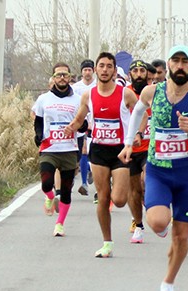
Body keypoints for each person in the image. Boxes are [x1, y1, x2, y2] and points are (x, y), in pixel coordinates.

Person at [120, 44, 188, 291]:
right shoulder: (152, 91)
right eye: (176, 61)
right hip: (158, 171)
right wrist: (129, 142)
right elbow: (136, 112)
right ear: (169, 65)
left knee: (181, 237)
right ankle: (162, 222)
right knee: (159, 223)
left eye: (186, 62)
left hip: (187, 174)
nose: (180, 66)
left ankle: (168, 282)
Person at [65, 52, 138, 258]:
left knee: (120, 199)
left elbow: (141, 114)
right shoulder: (88, 95)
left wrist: (138, 134)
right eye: (101, 66)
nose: (105, 70)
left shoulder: (125, 94)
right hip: (98, 149)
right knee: (103, 198)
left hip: (120, 150)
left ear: (115, 70)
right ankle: (107, 243)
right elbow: (81, 117)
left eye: (109, 66)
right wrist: (72, 126)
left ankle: (119, 187)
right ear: (96, 69)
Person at [33, 62, 87, 236]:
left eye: (65, 75)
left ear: (70, 77)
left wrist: (76, 127)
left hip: (69, 149)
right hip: (49, 147)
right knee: (46, 182)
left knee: (65, 190)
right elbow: (38, 121)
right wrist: (38, 135)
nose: (62, 78)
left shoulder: (78, 100)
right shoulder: (43, 99)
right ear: (53, 78)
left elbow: (84, 125)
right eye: (58, 75)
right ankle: (49, 197)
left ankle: (60, 224)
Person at [125, 59, 152, 244]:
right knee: (133, 190)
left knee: (147, 179)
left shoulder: (153, 92)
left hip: (150, 146)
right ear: (130, 74)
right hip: (129, 148)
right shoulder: (125, 94)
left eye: (143, 71)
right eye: (136, 71)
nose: (139, 74)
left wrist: (141, 132)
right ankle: (139, 224)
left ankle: (154, 208)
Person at [72, 59, 96, 196]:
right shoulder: (76, 87)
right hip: (81, 123)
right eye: (85, 70)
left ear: (93, 71)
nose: (87, 72)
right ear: (81, 72)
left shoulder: (97, 86)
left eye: (89, 69)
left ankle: (86, 181)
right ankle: (85, 179)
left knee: (89, 152)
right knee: (82, 152)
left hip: (94, 124)